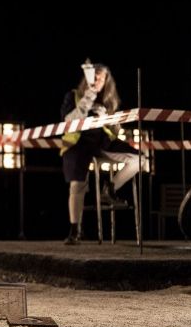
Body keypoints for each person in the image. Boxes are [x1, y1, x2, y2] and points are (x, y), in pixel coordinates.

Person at [60, 62, 145, 245]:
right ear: (88, 77)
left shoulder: (109, 101)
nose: (97, 80)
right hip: (78, 144)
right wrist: (88, 98)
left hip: (102, 143)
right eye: (95, 76)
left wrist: (106, 118)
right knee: (77, 185)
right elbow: (67, 121)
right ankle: (75, 231)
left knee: (140, 159)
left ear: (107, 80)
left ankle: (110, 188)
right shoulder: (73, 96)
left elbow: (115, 131)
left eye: (101, 78)